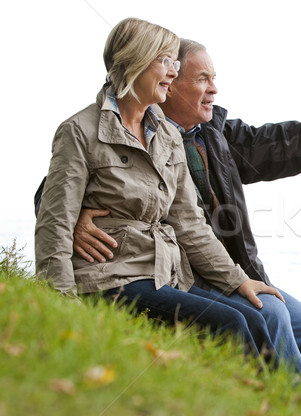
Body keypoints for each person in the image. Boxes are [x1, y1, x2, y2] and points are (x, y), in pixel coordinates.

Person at [34, 37, 301, 409]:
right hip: (170, 268)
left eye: (213, 78)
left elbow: (288, 143)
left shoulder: (214, 134)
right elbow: (54, 193)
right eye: (201, 79)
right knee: (271, 315)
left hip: (222, 266)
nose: (213, 89)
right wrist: (80, 220)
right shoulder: (118, 129)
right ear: (173, 81)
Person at [34, 18, 285, 361]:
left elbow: (189, 222)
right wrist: (61, 302)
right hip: (109, 280)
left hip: (162, 277)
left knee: (253, 317)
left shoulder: (166, 135)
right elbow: (55, 223)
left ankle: (274, 412)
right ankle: (250, 412)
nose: (172, 72)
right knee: (231, 324)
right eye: (165, 61)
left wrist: (238, 280)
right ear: (135, 61)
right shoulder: (80, 130)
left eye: (175, 63)